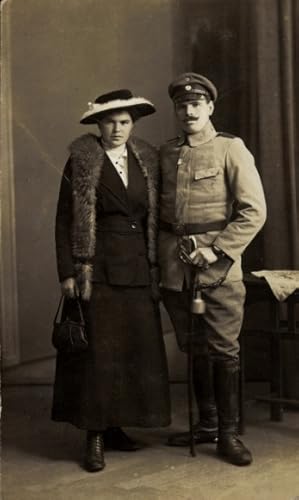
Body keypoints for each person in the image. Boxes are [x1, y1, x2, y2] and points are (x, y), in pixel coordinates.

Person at [52, 89, 171, 472]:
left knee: (132, 351)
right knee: (98, 355)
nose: (117, 129)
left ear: (133, 124)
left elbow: (158, 217)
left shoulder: (147, 160)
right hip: (97, 269)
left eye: (124, 122)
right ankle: (95, 436)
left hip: (138, 267)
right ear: (97, 125)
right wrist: (68, 273)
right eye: (109, 121)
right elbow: (63, 220)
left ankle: (118, 427)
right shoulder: (82, 161)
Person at [158, 72, 267, 466]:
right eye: (181, 106)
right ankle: (205, 423)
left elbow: (254, 211)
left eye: (195, 105)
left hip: (217, 270)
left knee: (223, 349)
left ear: (210, 108)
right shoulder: (167, 153)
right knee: (193, 347)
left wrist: (217, 251)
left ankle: (227, 433)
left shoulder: (230, 149)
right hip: (175, 269)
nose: (188, 111)